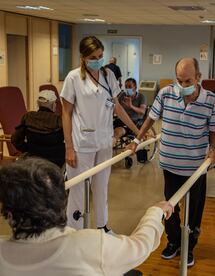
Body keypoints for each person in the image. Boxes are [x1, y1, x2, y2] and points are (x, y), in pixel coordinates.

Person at [0, 158, 174, 276]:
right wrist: (154, 212)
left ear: (8, 214)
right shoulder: (91, 244)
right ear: (62, 203)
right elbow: (141, 245)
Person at [128, 57, 215, 267]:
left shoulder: (211, 101)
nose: (183, 86)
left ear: (198, 77)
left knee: (194, 213)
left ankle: (188, 247)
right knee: (170, 208)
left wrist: (213, 149)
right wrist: (136, 140)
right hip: (170, 164)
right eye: (179, 80)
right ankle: (173, 242)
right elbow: (151, 118)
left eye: (188, 81)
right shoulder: (166, 93)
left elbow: (214, 130)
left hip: (196, 168)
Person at [61, 36, 139, 232]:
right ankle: (74, 231)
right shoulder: (73, 78)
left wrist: (139, 130)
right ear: (84, 57)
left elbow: (117, 107)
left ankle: (102, 227)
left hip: (104, 141)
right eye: (94, 57)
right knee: (78, 189)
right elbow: (66, 113)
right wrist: (69, 147)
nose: (98, 60)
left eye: (101, 56)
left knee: (101, 187)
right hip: (81, 144)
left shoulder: (108, 75)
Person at [11, 90, 65, 168]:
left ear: (38, 104)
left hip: (33, 161)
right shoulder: (59, 120)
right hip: (56, 164)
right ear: (53, 104)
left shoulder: (28, 117)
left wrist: (27, 148)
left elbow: (15, 140)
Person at [113, 78, 147, 142]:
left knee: (117, 132)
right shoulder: (123, 95)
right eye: (126, 87)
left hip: (133, 122)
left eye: (130, 86)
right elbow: (115, 105)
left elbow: (142, 111)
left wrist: (131, 106)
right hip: (121, 119)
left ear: (135, 87)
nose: (128, 89)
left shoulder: (141, 97)